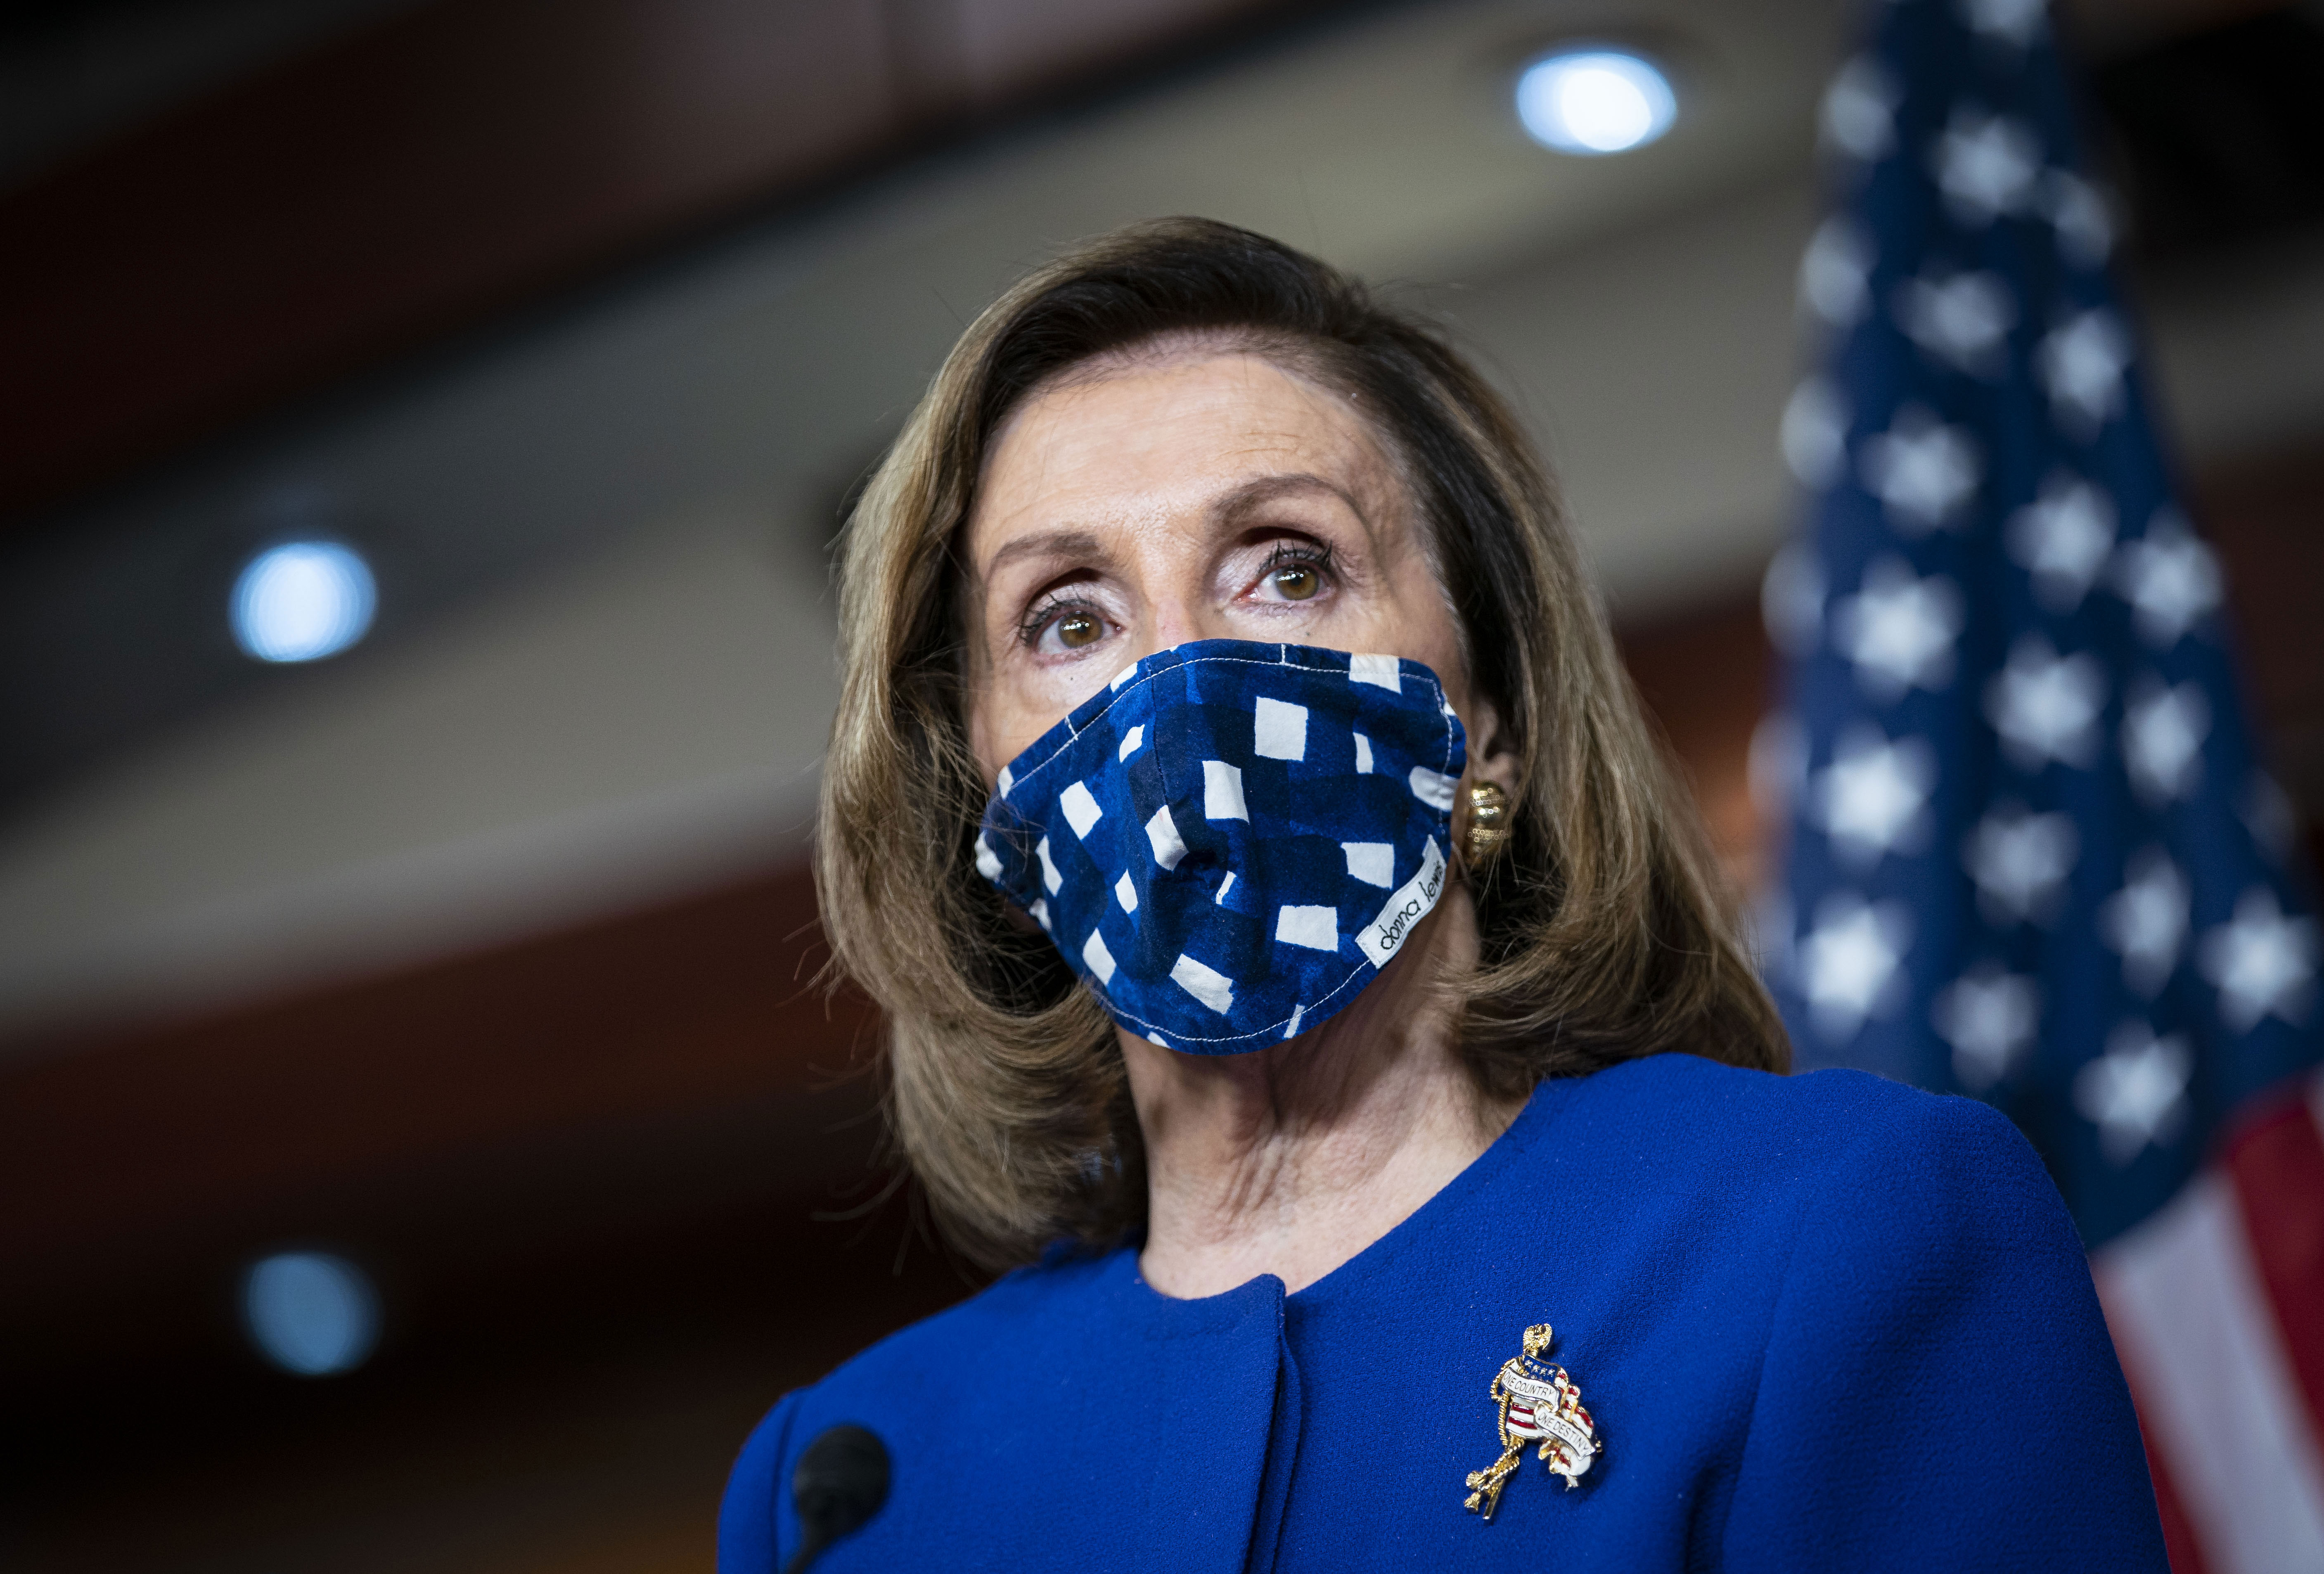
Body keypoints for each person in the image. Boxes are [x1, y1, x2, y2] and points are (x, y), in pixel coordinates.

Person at [720, 218, 2168, 1572]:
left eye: (1287, 569)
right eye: (1071, 617)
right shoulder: (854, 1484)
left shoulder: (1836, 1231)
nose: (1180, 681)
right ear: (985, 794)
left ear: (1489, 718)